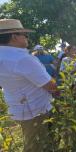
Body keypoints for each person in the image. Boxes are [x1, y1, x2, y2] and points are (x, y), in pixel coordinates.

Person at [0, 19, 57, 152]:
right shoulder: (22, 58)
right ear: (14, 37)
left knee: (32, 141)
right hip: (36, 110)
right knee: (37, 146)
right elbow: (50, 85)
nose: (27, 37)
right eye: (24, 34)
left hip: (18, 108)